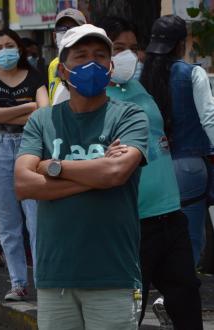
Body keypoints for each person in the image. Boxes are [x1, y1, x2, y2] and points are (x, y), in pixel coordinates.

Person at [15, 24, 148, 329]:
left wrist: (53, 167)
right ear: (63, 70)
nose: (92, 63)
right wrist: (96, 172)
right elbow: (23, 184)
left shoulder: (129, 115)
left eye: (100, 56)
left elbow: (115, 172)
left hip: (112, 275)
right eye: (81, 56)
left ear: (110, 67)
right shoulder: (42, 120)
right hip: (55, 277)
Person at [94, 16, 204, 329]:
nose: (128, 55)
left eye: (133, 48)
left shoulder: (140, 86)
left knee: (186, 300)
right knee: (130, 311)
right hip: (131, 223)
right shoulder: (88, 98)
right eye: (118, 48)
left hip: (171, 213)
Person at [0, 29, 48, 300]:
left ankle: (44, 282)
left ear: (20, 48)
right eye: (0, 46)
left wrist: (5, 112)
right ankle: (18, 283)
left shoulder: (36, 76)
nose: (5, 50)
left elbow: (43, 113)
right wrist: (26, 106)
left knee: (36, 219)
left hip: (30, 147)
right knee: (8, 222)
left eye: (10, 45)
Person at [140, 15, 214, 269]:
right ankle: (180, 296)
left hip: (150, 168)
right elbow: (209, 118)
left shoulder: (140, 78)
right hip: (189, 167)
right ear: (181, 44)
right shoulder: (193, 73)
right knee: (190, 239)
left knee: (154, 236)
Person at [47, 8, 86, 105]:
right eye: (62, 29)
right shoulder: (53, 65)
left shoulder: (90, 63)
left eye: (74, 29)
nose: (68, 33)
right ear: (54, 37)